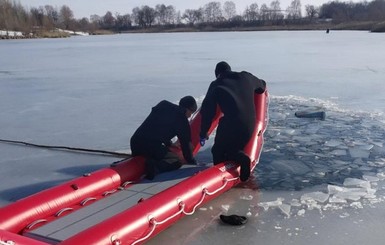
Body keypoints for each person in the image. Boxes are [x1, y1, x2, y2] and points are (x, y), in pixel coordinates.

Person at [199, 61, 266, 182]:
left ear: (217, 74)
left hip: (231, 124)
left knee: (217, 150)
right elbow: (262, 86)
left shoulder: (216, 84)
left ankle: (222, 178)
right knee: (234, 147)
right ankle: (239, 159)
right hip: (250, 124)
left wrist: (203, 132)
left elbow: (207, 112)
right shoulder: (246, 77)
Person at [130, 96, 198, 180]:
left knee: (155, 148)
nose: (189, 116)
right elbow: (185, 145)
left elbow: (159, 126)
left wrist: (169, 143)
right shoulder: (182, 121)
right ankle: (154, 167)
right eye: (191, 113)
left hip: (135, 143)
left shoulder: (163, 104)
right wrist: (191, 162)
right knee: (176, 160)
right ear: (188, 110)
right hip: (150, 146)